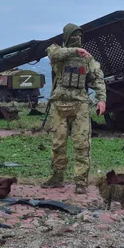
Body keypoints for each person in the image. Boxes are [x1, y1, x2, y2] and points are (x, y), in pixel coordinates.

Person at [41, 23, 107, 194]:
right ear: (66, 37)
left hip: (80, 105)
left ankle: (81, 181)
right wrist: (75, 51)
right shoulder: (56, 50)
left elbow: (97, 78)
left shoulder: (87, 58)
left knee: (82, 144)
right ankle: (57, 177)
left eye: (79, 36)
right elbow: (54, 55)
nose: (77, 40)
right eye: (73, 36)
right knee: (58, 143)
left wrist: (102, 100)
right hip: (59, 105)